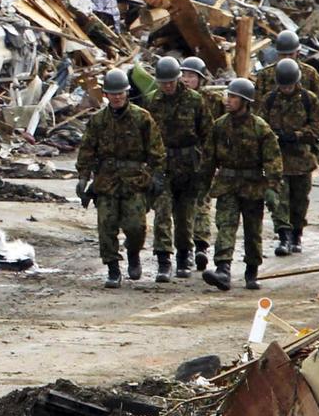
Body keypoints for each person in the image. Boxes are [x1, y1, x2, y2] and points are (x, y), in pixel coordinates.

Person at [76, 68, 164, 289]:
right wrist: (83, 178)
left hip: (134, 180)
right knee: (106, 226)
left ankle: (133, 253)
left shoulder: (142, 118)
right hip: (106, 181)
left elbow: (156, 151)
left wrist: (157, 177)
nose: (116, 97)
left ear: (127, 93)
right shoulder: (97, 121)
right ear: (106, 95)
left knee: (136, 227)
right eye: (112, 93)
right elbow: (87, 150)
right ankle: (113, 268)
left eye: (120, 93)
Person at [202, 78, 281, 292]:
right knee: (225, 225)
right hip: (227, 184)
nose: (228, 100)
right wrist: (203, 183)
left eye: (233, 97)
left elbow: (273, 158)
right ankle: (223, 269)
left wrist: (272, 185)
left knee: (252, 230)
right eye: (228, 96)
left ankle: (252, 271)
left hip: (253, 186)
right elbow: (209, 157)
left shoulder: (260, 127)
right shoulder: (220, 125)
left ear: (245, 101)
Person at [146, 57, 214, 282]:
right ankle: (164, 260)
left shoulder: (195, 101)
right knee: (162, 213)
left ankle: (185, 256)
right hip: (163, 164)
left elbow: (208, 135)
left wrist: (209, 165)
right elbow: (148, 136)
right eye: (163, 82)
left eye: (171, 82)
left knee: (185, 216)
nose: (167, 86)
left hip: (189, 166)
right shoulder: (153, 102)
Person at [263, 58, 319, 256]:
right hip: (279, 159)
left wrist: (298, 135)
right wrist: (273, 136)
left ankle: (297, 234)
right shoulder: (270, 100)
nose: (286, 89)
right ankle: (284, 236)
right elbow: (260, 123)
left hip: (302, 157)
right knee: (279, 200)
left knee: (300, 200)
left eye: (289, 85)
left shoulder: (308, 100)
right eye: (283, 86)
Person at [179, 56, 218, 268]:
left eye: (191, 76)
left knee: (201, 203)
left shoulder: (212, 101)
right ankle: (184, 250)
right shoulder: (175, 98)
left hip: (202, 158)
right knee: (182, 207)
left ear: (201, 79)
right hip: (179, 161)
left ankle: (201, 245)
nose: (186, 80)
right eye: (183, 75)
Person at [254, 30, 319, 114]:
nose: (287, 58)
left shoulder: (310, 74)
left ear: (297, 53)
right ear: (278, 54)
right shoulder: (265, 75)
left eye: (291, 54)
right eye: (283, 55)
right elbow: (256, 107)